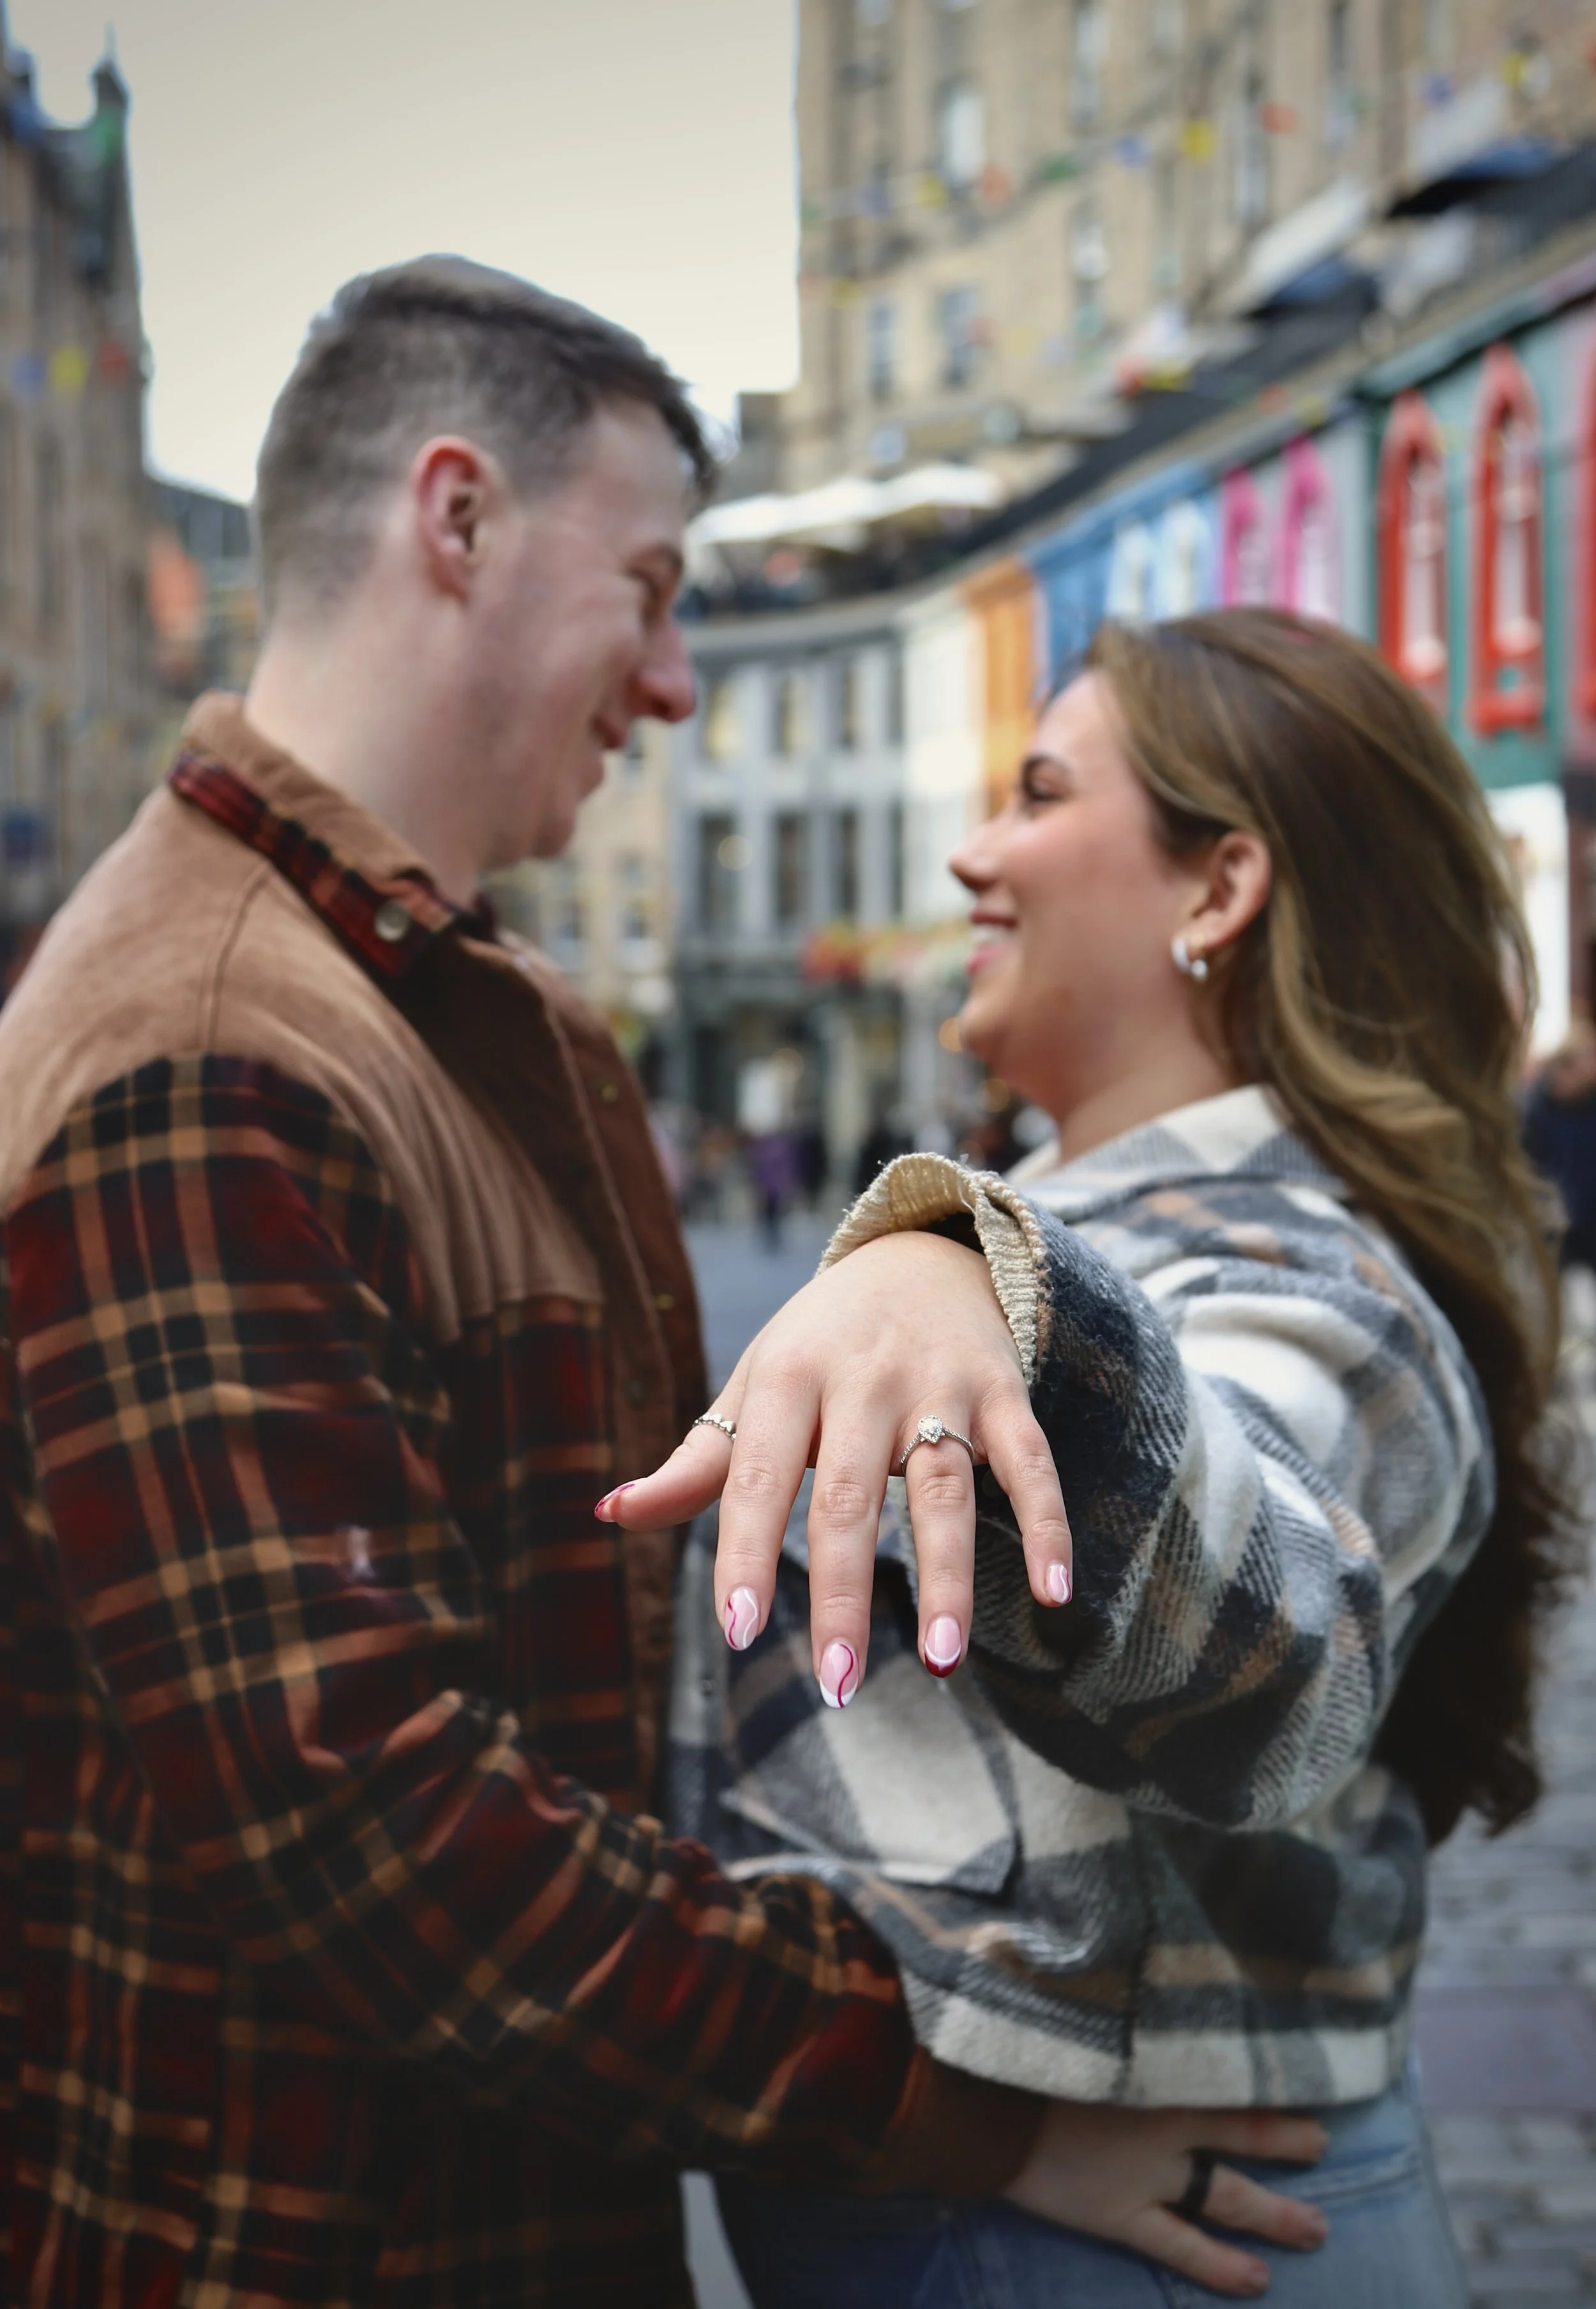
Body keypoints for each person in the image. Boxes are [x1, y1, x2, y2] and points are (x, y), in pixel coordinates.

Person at [0, 267, 1321, 2308]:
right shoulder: (208, 1042)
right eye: (649, 584)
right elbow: (379, 1840)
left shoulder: (438, 1007)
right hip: (292, 2243)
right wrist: (977, 2105)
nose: (678, 680)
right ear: (456, 520)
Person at [616, 609, 1574, 2304]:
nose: (973, 852)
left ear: (1217, 892)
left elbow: (1266, 1658)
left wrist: (976, 1268)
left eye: (1042, 794)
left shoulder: (1313, 1276)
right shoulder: (1110, 1219)